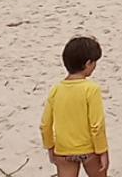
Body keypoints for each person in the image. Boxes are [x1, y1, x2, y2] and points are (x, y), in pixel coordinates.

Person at [40, 36, 109, 177]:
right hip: (89, 150)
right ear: (88, 63)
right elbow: (96, 125)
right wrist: (103, 151)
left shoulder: (56, 90)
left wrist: (50, 147)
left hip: (63, 150)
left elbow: (45, 124)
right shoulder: (91, 89)